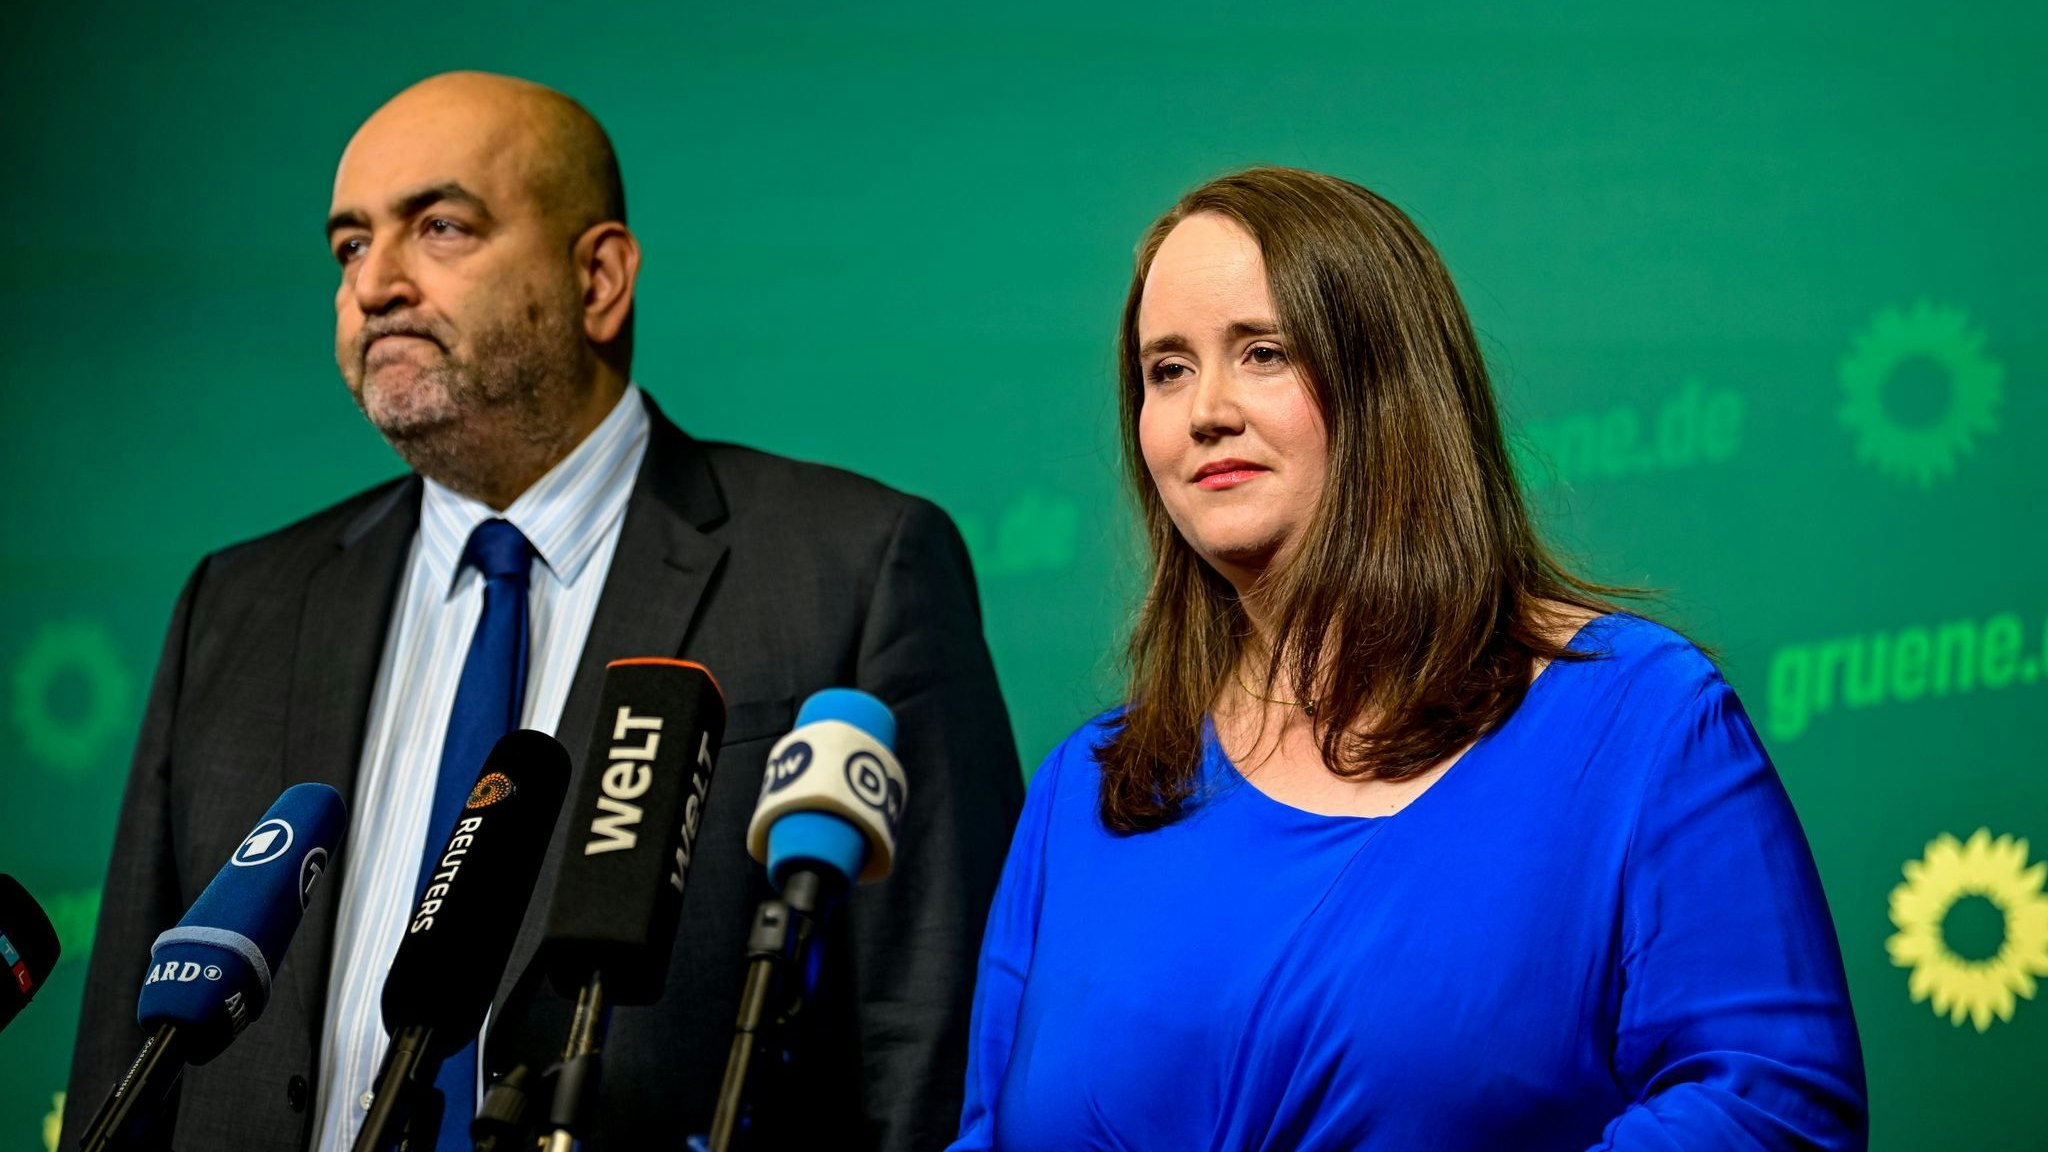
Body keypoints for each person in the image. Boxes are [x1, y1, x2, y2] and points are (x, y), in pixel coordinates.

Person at [62, 71, 1022, 1152]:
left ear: (598, 278)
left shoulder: (852, 568)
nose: (373, 283)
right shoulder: (235, 607)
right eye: (349, 246)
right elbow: (125, 1069)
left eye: (439, 227)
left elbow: (928, 1044)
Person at [952, 167, 1866, 1150]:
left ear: (1389, 387)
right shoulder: (1082, 792)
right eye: (1166, 370)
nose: (1205, 409)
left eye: (1263, 353)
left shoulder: (1637, 722)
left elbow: (1768, 1108)